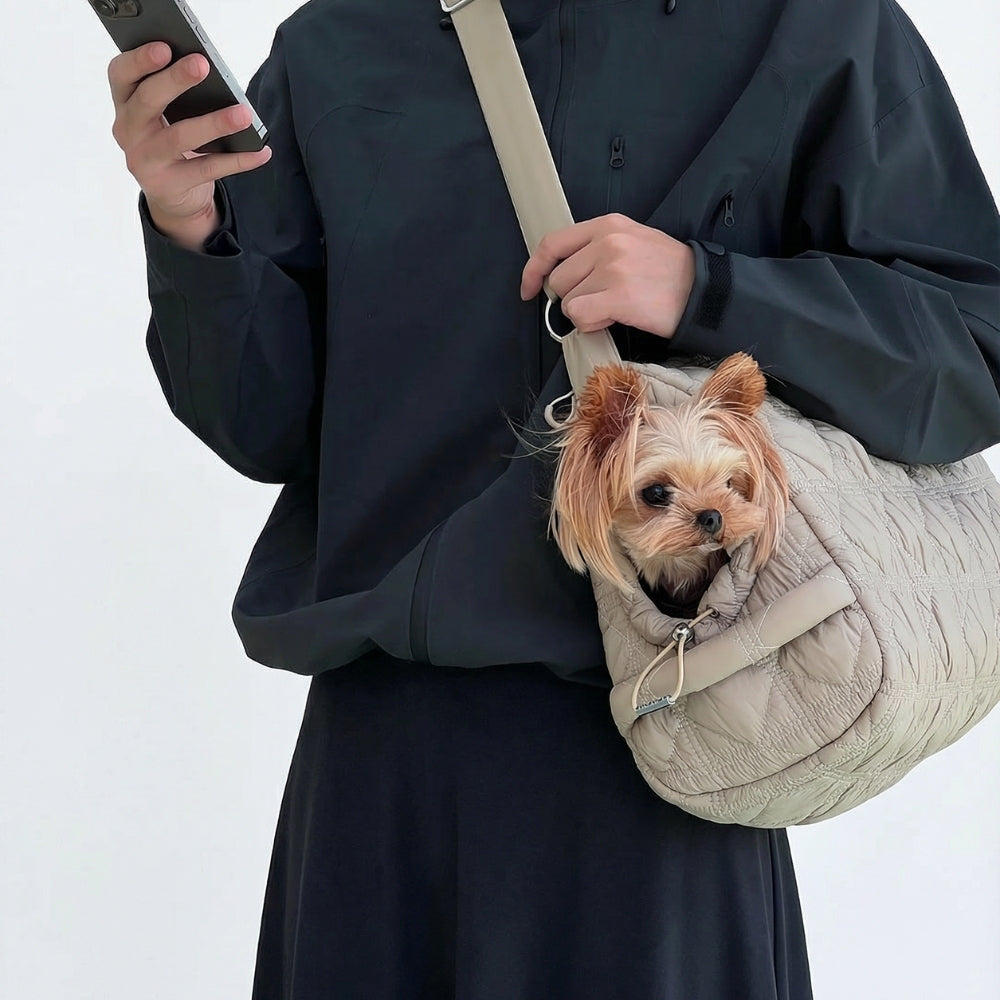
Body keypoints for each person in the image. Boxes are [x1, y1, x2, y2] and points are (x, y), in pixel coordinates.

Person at [107, 0, 1000, 996]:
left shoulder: (810, 25)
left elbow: (973, 352)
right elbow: (263, 425)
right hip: (378, 786)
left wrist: (705, 289)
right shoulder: (340, 43)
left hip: (669, 759)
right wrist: (189, 224)